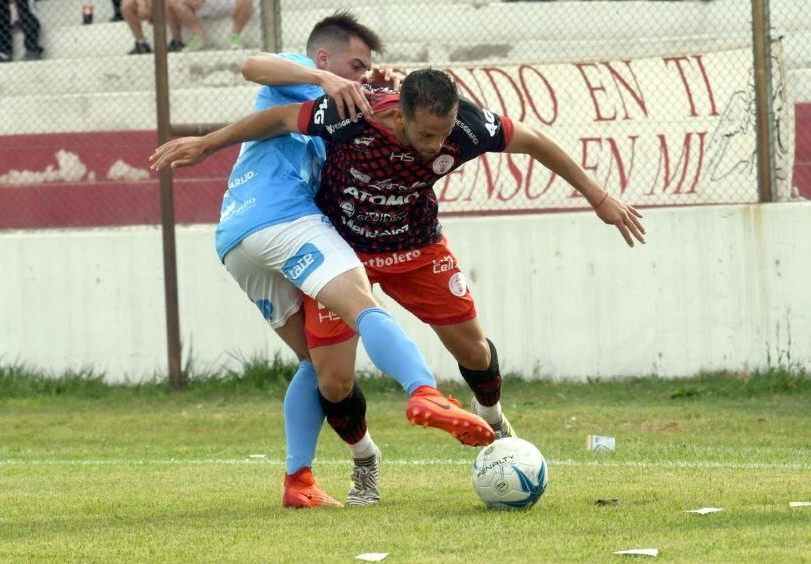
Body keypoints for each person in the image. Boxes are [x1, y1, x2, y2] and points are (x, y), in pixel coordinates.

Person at [149, 68, 647, 486]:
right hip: (342, 251)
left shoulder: (468, 127)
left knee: (473, 351)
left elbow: (535, 141)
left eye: (444, 132)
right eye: (426, 134)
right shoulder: (353, 114)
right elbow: (279, 119)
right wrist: (208, 144)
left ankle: (495, 425)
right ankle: (365, 461)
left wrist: (598, 197)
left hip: (416, 246)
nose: (437, 145)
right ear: (399, 114)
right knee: (334, 379)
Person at [151, 14, 494, 509]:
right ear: (325, 57)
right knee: (361, 304)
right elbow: (252, 64)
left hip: (237, 240)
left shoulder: (342, 111)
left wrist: (375, 90)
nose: (362, 75)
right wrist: (322, 77)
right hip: (283, 219)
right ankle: (424, 389)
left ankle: (299, 480)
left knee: (318, 362)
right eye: (356, 64)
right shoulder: (302, 73)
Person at [167, 0, 253, 51]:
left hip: (228, 2)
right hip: (203, 3)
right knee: (171, 2)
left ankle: (234, 36)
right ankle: (199, 36)